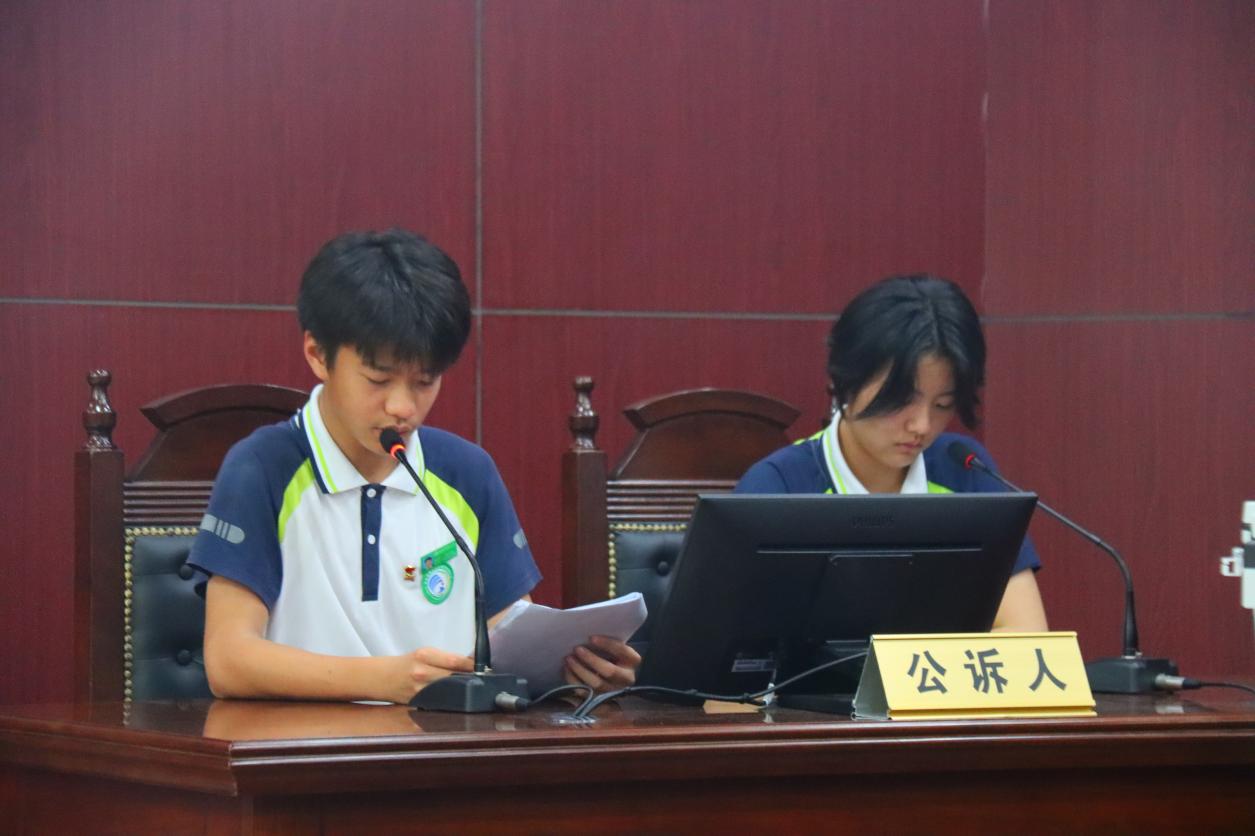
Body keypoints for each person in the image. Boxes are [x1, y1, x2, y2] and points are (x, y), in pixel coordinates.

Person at [189, 229, 639, 703]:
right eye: (378, 380)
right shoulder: (262, 469)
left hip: (448, 743)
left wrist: (574, 671)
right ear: (318, 355)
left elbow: (510, 640)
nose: (403, 408)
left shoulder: (467, 473)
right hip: (304, 744)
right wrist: (386, 681)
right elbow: (229, 659)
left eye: (424, 382)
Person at [735, 274, 1048, 631]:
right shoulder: (778, 488)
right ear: (843, 381)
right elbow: (736, 649)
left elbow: (1027, 635)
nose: (922, 425)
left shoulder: (964, 471)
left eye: (943, 404)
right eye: (901, 400)